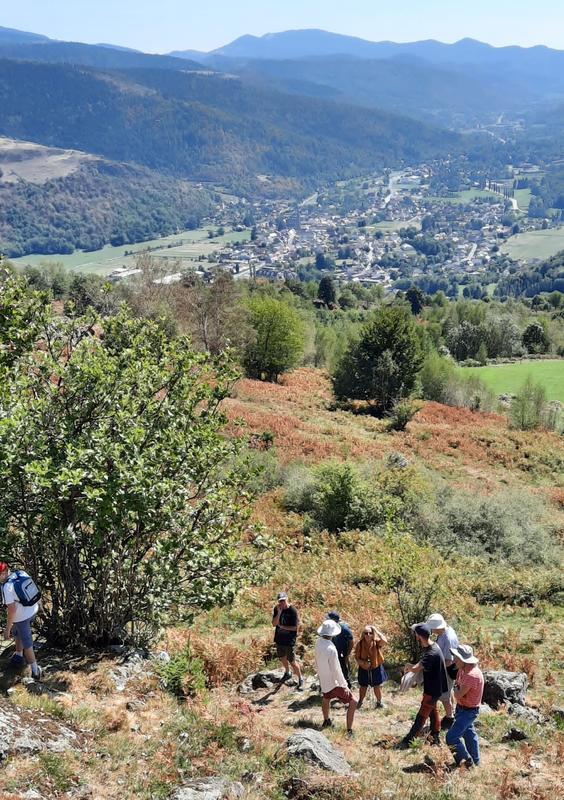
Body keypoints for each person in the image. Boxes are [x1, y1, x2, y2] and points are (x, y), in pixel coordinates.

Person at [397, 623, 448, 749]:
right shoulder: (432, 647)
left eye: (416, 635)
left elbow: (415, 668)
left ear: (419, 636)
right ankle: (435, 737)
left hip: (433, 689)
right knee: (432, 711)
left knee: (422, 714)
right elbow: (421, 664)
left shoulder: (431, 653)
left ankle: (409, 740)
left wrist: (408, 666)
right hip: (434, 687)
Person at [314, 619, 357, 736]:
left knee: (326, 698)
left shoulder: (318, 642)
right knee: (353, 702)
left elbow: (317, 661)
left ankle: (326, 720)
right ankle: (349, 731)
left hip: (324, 679)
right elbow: (336, 669)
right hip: (334, 682)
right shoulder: (331, 649)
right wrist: (344, 685)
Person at [0, 561, 41, 680]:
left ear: (3, 574)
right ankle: (18, 656)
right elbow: (34, 589)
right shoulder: (20, 573)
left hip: (22, 618)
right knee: (18, 633)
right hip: (33, 609)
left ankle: (35, 670)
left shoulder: (7, 587)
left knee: (27, 644)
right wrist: (40, 606)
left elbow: (11, 610)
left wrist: (7, 629)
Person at [445, 645, 484, 769]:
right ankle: (476, 762)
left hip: (468, 711)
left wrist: (456, 690)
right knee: (469, 735)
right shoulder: (463, 670)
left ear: (464, 660)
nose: (454, 660)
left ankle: (467, 763)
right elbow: (458, 690)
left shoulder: (471, 675)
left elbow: (457, 694)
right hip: (463, 709)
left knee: (451, 737)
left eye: (457, 657)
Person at [425, 613, 460, 730]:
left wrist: (435, 667)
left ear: (437, 627)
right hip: (448, 669)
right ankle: (452, 712)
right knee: (448, 692)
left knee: (444, 695)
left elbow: (449, 661)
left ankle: (450, 718)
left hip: (447, 670)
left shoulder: (447, 638)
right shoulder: (447, 631)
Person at [272, 591, 304, 690]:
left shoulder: (293, 611)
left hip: (289, 640)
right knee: (282, 657)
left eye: (283, 600)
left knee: (292, 661)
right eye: (280, 601)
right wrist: (279, 613)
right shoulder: (277, 609)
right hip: (279, 639)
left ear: (287, 599)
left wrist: (282, 627)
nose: (282, 603)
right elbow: (274, 624)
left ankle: (300, 678)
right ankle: (287, 672)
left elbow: (295, 628)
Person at [354, 624, 388, 709]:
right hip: (363, 668)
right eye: (366, 633)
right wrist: (363, 663)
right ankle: (360, 702)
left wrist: (376, 630)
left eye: (370, 633)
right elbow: (357, 658)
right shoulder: (360, 644)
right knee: (363, 686)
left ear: (372, 634)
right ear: (363, 634)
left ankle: (379, 702)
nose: (368, 635)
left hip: (376, 667)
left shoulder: (376, 642)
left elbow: (385, 641)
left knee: (377, 686)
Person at [326, 611, 354, 689]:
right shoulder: (329, 627)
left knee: (343, 668)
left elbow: (351, 642)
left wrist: (347, 654)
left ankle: (347, 685)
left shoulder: (344, 628)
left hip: (342, 653)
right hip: (332, 651)